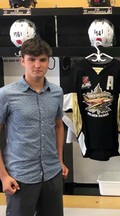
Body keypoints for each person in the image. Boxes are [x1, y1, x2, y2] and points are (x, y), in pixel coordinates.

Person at [0, 37, 69, 216]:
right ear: (22, 61)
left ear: (48, 62)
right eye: (32, 59)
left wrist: (60, 160)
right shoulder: (6, 94)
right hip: (20, 176)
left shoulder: (56, 92)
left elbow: (58, 125)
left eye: (42, 60)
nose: (37, 65)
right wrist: (3, 176)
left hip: (52, 174)